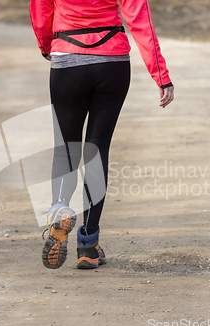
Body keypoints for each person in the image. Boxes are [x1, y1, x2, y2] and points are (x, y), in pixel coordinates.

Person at [30, 0, 174, 269]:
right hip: (112, 62)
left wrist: (46, 44)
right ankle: (88, 244)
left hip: (67, 58)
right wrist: (161, 76)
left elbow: (40, 13)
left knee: (67, 146)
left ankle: (59, 210)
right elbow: (140, 20)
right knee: (97, 149)